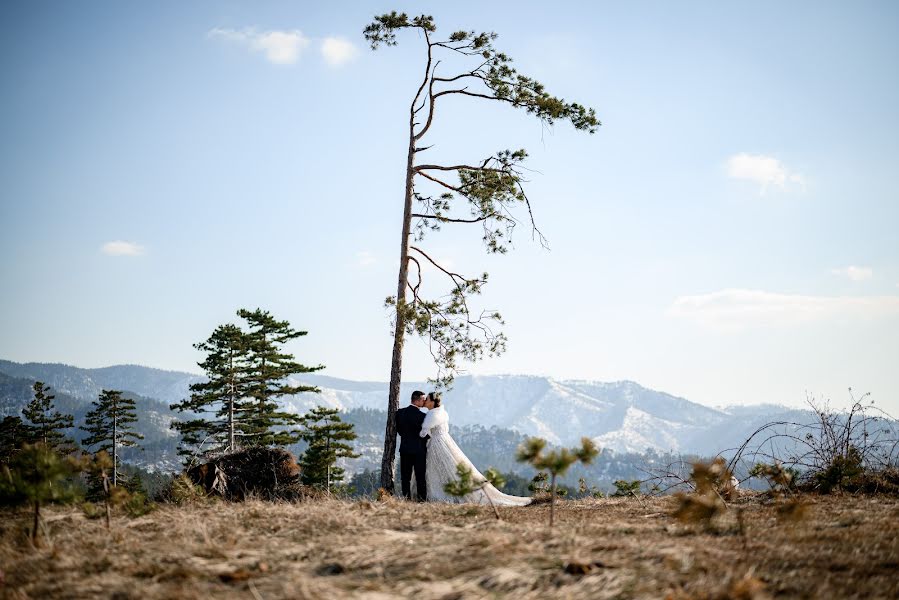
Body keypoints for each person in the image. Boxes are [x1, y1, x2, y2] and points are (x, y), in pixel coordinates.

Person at [419, 392, 531, 506]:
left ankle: (440, 494)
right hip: (445, 441)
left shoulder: (432, 415)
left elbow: (423, 433)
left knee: (438, 469)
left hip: (437, 444)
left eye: (427, 399)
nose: (425, 401)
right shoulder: (441, 413)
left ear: (432, 402)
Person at [396, 390, 428, 501]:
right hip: (419, 450)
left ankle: (406, 499)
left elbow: (399, 431)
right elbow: (426, 435)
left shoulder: (400, 413)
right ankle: (422, 500)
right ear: (418, 400)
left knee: (405, 477)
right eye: (423, 400)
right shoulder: (423, 416)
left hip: (405, 449)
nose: (425, 402)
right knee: (420, 478)